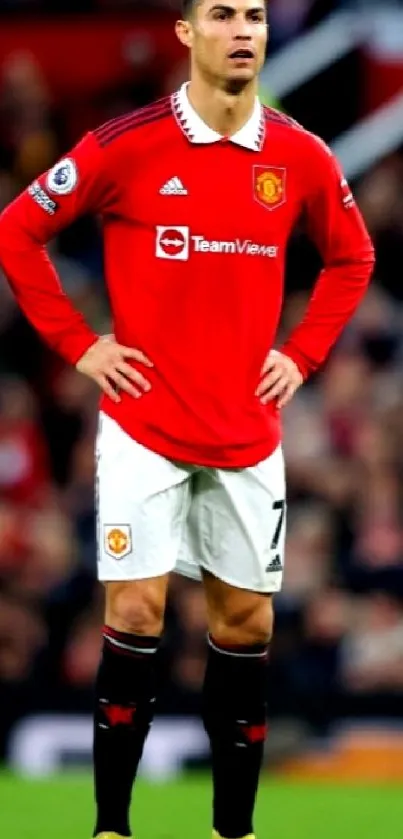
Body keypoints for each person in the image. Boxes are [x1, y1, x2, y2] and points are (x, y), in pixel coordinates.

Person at [0, 2, 374, 838]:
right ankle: (111, 826)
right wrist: (78, 344)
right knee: (134, 611)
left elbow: (354, 255)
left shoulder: (299, 154)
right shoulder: (126, 143)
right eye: (222, 15)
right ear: (186, 33)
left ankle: (232, 828)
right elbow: (18, 230)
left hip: (247, 430)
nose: (242, 29)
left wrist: (304, 353)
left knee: (246, 624)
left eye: (253, 15)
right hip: (143, 425)